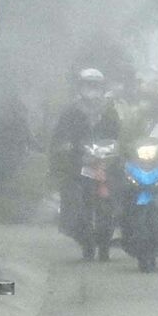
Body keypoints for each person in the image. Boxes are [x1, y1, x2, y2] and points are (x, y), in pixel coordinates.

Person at [49, 68, 123, 243]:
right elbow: (60, 135)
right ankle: (75, 225)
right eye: (88, 84)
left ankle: (120, 223)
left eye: (95, 85)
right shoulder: (71, 110)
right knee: (72, 189)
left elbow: (118, 132)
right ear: (80, 86)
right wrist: (65, 146)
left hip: (105, 160)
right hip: (79, 160)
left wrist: (119, 148)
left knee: (123, 185)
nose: (92, 88)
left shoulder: (109, 110)